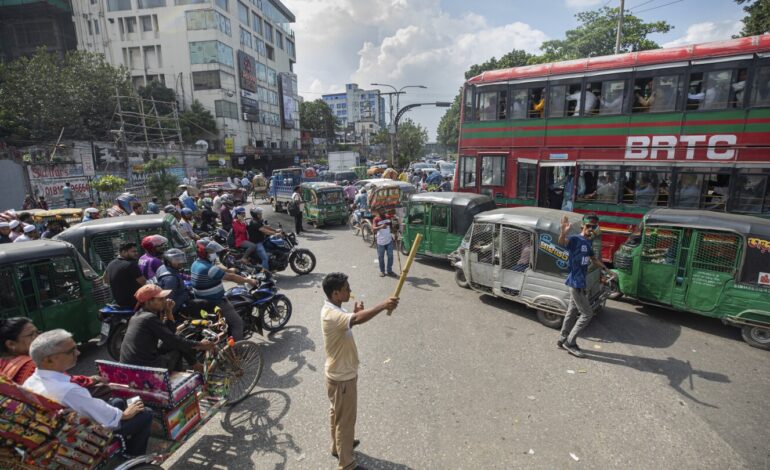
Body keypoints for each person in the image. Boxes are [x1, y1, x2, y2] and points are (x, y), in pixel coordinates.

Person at [23, 329, 153, 456]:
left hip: (60, 432)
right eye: (71, 351)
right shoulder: (68, 391)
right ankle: (134, 455)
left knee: (117, 402)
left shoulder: (30, 381)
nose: (78, 353)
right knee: (145, 413)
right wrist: (124, 415)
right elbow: (101, 413)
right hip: (83, 439)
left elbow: (91, 406)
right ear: (48, 360)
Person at [320, 273, 399, 470]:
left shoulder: (334, 308)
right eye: (346, 289)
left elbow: (352, 320)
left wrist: (354, 315)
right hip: (342, 378)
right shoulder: (332, 314)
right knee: (345, 422)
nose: (350, 291)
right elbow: (356, 319)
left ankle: (337, 448)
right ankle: (347, 463)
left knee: (336, 414)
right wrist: (383, 305)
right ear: (336, 293)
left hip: (337, 374)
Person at [0, 317, 108, 396]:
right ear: (11, 344)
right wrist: (92, 380)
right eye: (31, 334)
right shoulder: (33, 365)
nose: (39, 337)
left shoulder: (3, 363)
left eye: (37, 332)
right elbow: (66, 383)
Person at [120, 285, 215, 372]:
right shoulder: (149, 318)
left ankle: (196, 366)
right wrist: (200, 344)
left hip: (133, 364)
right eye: (161, 299)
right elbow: (173, 340)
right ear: (148, 302)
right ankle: (181, 377)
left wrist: (169, 312)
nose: (165, 301)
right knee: (178, 348)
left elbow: (170, 334)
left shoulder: (138, 316)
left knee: (177, 341)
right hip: (144, 369)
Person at [557, 214, 608, 358]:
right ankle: (570, 343)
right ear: (582, 226)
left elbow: (594, 259)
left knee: (572, 312)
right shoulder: (575, 239)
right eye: (588, 226)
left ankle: (562, 339)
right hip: (575, 283)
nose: (591, 229)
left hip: (580, 282)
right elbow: (562, 242)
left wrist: (606, 270)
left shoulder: (588, 243)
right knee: (587, 314)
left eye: (594, 227)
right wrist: (563, 231)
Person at [191, 239, 255, 341]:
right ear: (204, 252)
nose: (214, 254)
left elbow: (216, 268)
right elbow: (231, 278)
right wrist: (249, 280)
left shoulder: (196, 263)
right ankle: (239, 351)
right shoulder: (209, 269)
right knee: (237, 323)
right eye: (211, 252)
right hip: (216, 302)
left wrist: (228, 270)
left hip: (201, 301)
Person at [104, 242, 146, 309]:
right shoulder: (131, 265)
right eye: (133, 251)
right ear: (123, 252)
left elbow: (106, 280)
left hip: (118, 302)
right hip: (134, 303)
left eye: (136, 251)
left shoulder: (111, 264)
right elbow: (144, 283)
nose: (136, 253)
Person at [247, 207, 281, 272]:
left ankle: (273, 265)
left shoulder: (258, 221)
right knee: (265, 258)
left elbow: (265, 226)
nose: (261, 215)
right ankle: (265, 274)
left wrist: (275, 230)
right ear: (255, 215)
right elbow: (264, 231)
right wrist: (275, 234)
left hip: (263, 240)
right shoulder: (254, 222)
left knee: (274, 247)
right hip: (257, 243)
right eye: (259, 214)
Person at [372, 210, 395, 277]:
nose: (383, 211)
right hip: (380, 242)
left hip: (389, 241)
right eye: (381, 210)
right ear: (378, 212)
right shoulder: (376, 219)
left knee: (390, 256)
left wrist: (395, 233)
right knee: (381, 257)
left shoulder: (388, 217)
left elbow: (391, 228)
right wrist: (380, 227)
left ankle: (389, 270)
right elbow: (373, 229)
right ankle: (382, 271)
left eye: (383, 209)